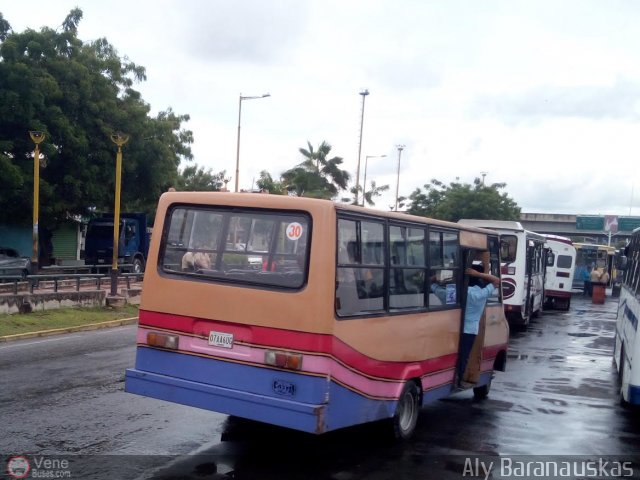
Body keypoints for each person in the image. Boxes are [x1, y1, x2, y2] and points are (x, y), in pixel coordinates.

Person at [457, 257, 501, 389]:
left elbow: (437, 289)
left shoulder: (458, 291)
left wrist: (434, 282)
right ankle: (459, 379)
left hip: (453, 328)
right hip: (470, 330)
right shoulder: (481, 294)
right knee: (464, 356)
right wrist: (478, 274)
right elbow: (496, 280)